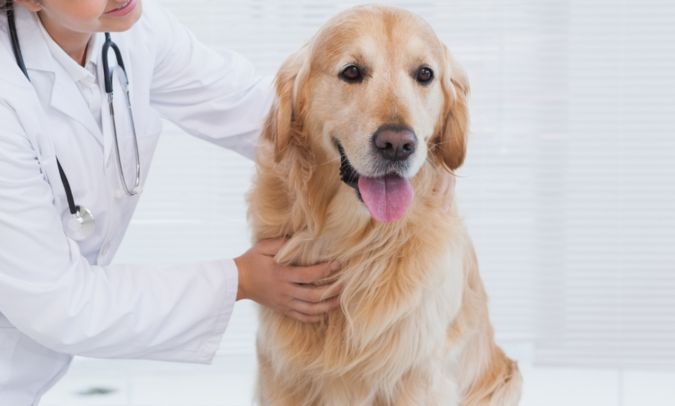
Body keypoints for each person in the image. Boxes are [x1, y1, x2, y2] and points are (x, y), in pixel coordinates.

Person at [0, 0, 343, 403]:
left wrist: (388, 136)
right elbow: (59, 302)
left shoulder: (130, 30)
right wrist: (240, 279)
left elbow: (254, 110)